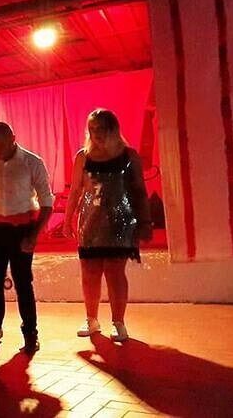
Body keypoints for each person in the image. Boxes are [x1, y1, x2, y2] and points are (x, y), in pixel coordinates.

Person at [63, 109, 152, 342]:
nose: (96, 133)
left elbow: (139, 191)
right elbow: (75, 191)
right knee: (89, 273)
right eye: (92, 129)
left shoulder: (129, 155)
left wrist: (145, 222)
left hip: (120, 223)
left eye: (101, 128)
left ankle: (118, 322)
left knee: (115, 272)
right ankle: (91, 319)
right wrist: (67, 220)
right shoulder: (83, 157)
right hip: (90, 222)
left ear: (113, 129)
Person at [0, 122, 54, 354]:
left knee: (23, 282)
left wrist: (34, 235)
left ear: (13, 139)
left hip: (22, 228)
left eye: (2, 144)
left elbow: (47, 201)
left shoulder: (31, 162)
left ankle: (30, 332)